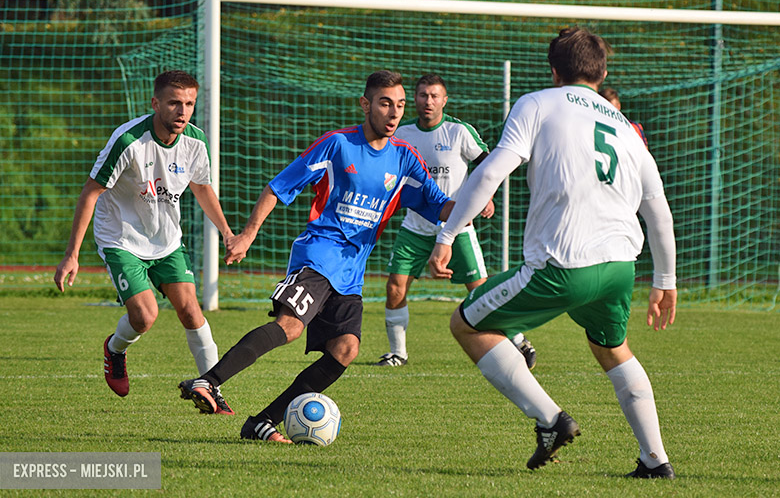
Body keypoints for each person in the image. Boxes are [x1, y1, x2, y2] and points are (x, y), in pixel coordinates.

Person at [428, 27, 677, 479]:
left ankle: (550, 420)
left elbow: (490, 172)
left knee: (466, 325)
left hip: (563, 265)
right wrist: (665, 281)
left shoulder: (538, 102)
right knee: (612, 348)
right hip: (622, 267)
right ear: (602, 73)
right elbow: (658, 209)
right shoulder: (624, 126)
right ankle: (655, 460)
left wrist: (447, 234)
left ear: (554, 71)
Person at [178, 70, 454, 443]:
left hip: (351, 271)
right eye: (385, 103)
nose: (394, 113)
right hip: (319, 255)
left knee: (345, 349)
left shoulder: (404, 159)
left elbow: (439, 205)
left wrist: (473, 202)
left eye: (400, 105)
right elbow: (279, 185)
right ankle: (208, 381)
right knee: (290, 326)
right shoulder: (337, 145)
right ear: (366, 104)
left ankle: (262, 422)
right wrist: (247, 235)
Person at [54, 70, 236, 414]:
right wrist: (71, 255)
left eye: (189, 104)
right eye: (173, 103)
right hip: (121, 238)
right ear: (155, 104)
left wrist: (227, 232)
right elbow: (91, 193)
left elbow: (202, 188)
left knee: (190, 310)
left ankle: (212, 387)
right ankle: (115, 349)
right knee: (145, 316)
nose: (182, 111)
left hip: (166, 241)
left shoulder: (196, 142)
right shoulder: (128, 141)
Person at [376, 73, 536, 370]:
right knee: (395, 287)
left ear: (444, 100)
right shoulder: (402, 135)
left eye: (435, 96)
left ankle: (518, 340)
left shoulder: (459, 131)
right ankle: (398, 353)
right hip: (415, 227)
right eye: (423, 95)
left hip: (457, 227)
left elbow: (489, 165)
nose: (428, 101)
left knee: (481, 292)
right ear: (415, 99)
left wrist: (486, 196)